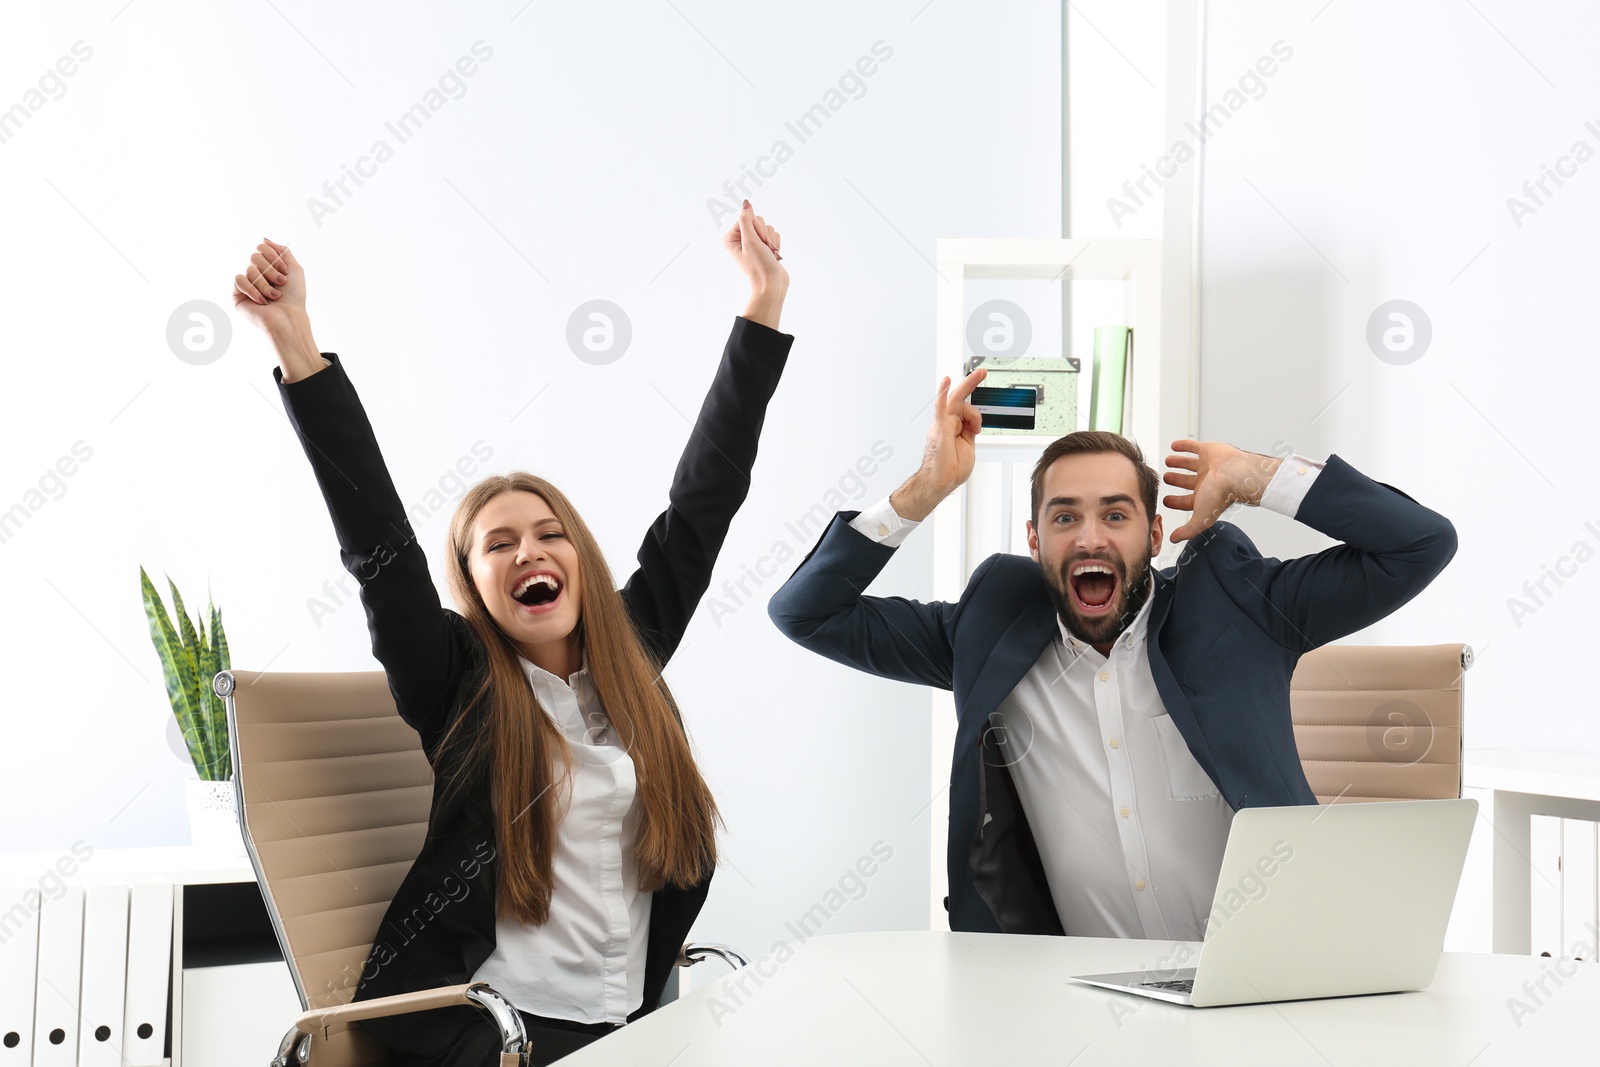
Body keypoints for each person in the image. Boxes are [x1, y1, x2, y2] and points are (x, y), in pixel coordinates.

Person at [231, 202, 791, 1065]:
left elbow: (705, 498)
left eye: (548, 532)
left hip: (631, 1023)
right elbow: (377, 539)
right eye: (499, 544)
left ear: (579, 556)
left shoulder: (632, 654)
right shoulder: (453, 680)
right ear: (476, 586)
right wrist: (296, 344)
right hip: (489, 1035)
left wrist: (763, 302)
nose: (529, 549)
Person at [767, 367, 1457, 940]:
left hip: (1272, 977)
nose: (1090, 537)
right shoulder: (990, 631)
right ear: (1035, 541)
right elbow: (805, 611)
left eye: (1116, 514)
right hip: (1085, 1006)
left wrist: (1254, 475)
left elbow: (1420, 544)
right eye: (1064, 516)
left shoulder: (1240, 607)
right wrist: (924, 489)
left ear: (1155, 533)